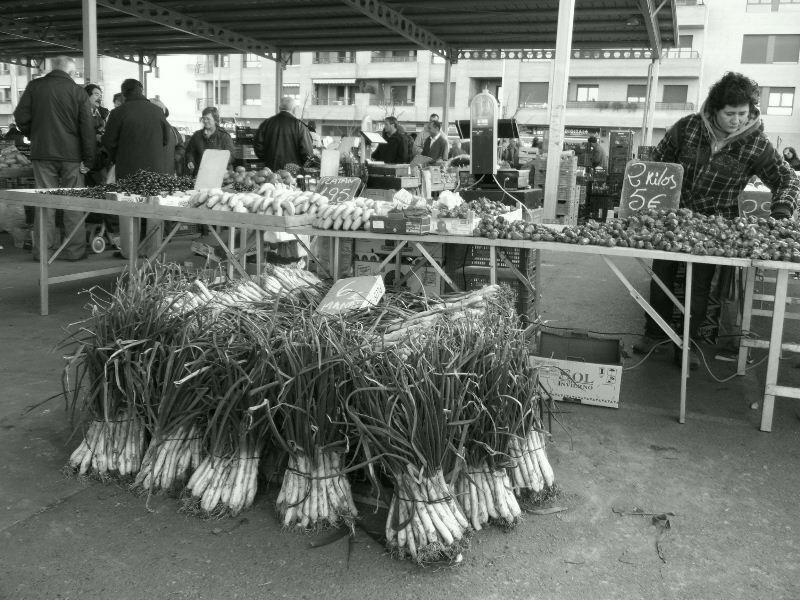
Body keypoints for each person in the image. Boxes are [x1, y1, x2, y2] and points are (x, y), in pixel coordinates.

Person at [634, 71, 800, 368]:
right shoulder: (687, 128)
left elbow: (787, 179)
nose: (737, 120)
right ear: (714, 110)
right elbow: (655, 163)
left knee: (699, 288)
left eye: (742, 113)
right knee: (662, 278)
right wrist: (646, 206)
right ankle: (654, 334)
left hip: (716, 227)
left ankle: (689, 343)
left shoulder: (756, 145)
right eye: (730, 113)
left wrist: (781, 214)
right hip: (670, 219)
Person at [13, 55, 95, 261]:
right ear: (70, 71)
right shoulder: (77, 92)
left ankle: (43, 252)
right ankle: (74, 251)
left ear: (52, 68)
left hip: (43, 153)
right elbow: (87, 128)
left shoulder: (35, 87)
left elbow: (20, 116)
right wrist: (89, 158)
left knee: (45, 202)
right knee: (73, 202)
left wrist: (35, 134)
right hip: (72, 156)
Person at [101, 79, 170, 179]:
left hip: (128, 169)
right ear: (141, 91)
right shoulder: (158, 111)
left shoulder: (118, 112)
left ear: (124, 94)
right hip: (155, 169)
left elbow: (108, 141)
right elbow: (166, 139)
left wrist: (118, 156)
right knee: (152, 194)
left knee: (127, 195)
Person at [252, 97, 313, 171]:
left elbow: (258, 146)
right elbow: (307, 153)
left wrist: (267, 159)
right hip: (292, 172)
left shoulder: (266, 123)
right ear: (294, 109)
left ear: (280, 108)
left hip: (270, 171)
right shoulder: (300, 126)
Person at [184, 106, 235, 176]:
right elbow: (189, 152)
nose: (205, 121)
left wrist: (218, 162)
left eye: (208, 119)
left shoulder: (224, 136)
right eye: (203, 118)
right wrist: (190, 161)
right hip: (200, 174)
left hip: (218, 175)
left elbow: (231, 155)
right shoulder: (197, 135)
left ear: (215, 120)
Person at [84, 84, 109, 186]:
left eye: (100, 95)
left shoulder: (103, 113)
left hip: (99, 159)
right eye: (96, 94)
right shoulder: (80, 112)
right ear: (86, 95)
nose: (99, 98)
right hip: (84, 158)